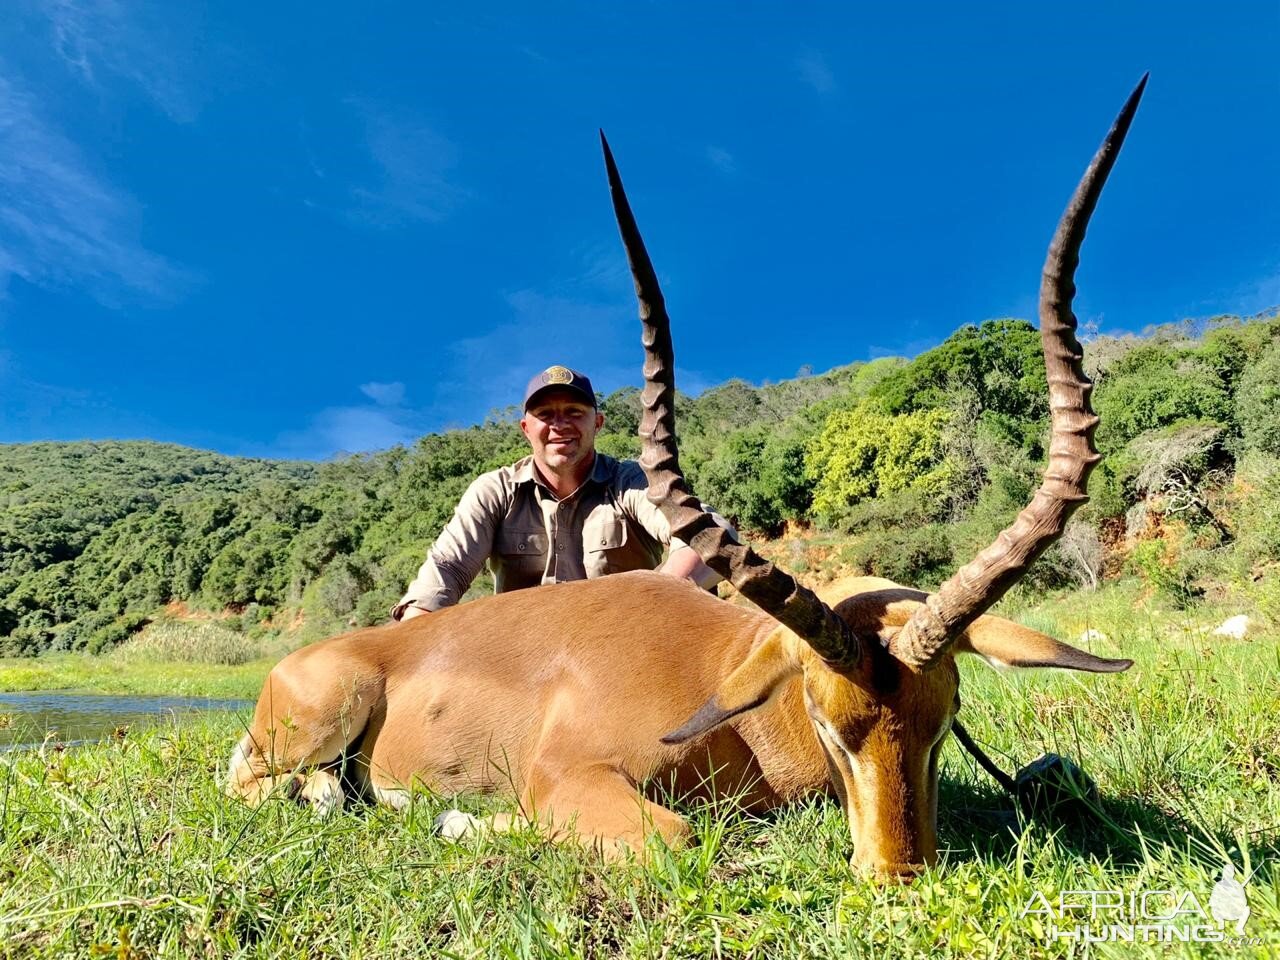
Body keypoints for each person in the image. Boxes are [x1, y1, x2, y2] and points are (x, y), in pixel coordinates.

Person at [392, 365, 728, 620]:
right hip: (527, 665)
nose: (560, 425)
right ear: (526, 429)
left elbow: (710, 535)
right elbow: (444, 572)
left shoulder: (630, 482)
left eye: (574, 412)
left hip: (627, 649)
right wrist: (415, 632)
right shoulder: (494, 491)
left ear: (597, 423)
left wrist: (649, 603)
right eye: (545, 415)